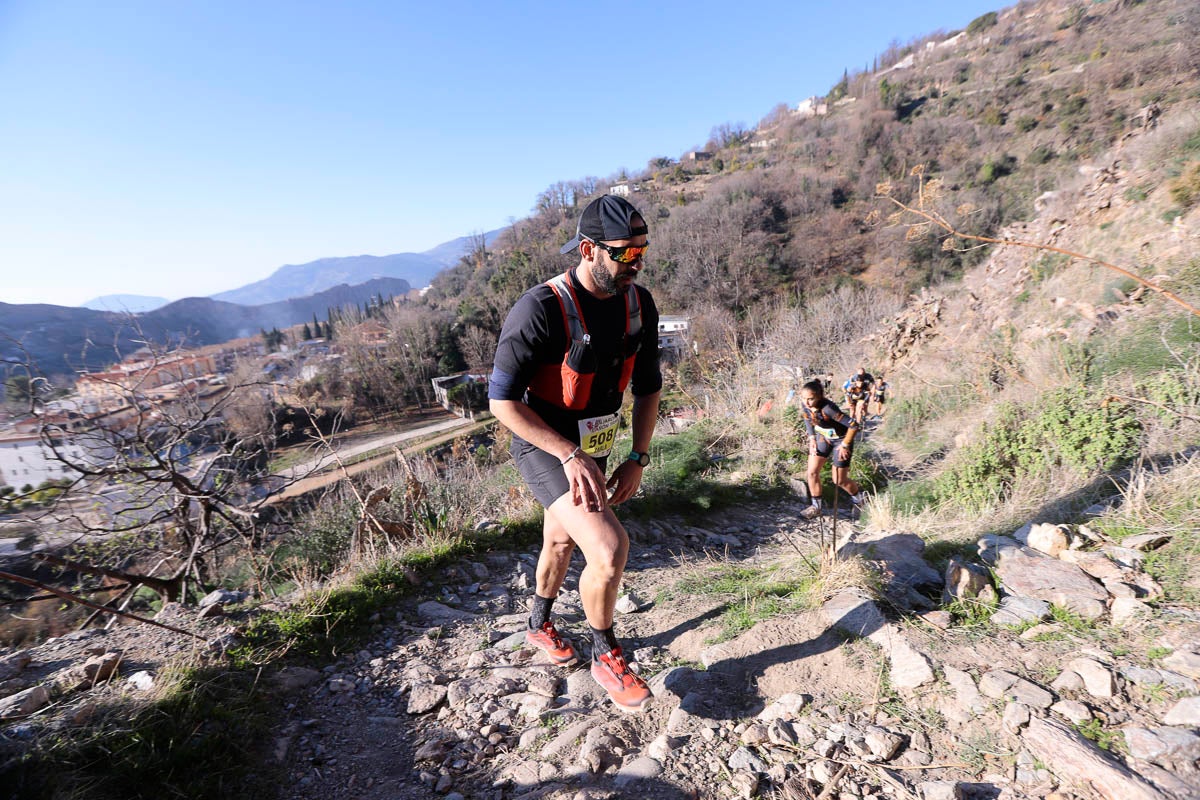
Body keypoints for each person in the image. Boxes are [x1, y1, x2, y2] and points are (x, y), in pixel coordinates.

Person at [488, 195, 661, 714]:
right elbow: (501, 403)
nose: (636, 263)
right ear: (588, 249)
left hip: (598, 441)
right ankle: (605, 653)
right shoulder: (540, 308)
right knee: (607, 547)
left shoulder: (638, 304)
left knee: (562, 538)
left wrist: (638, 455)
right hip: (545, 441)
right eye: (624, 254)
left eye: (641, 251)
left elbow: (648, 387)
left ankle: (538, 625)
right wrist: (567, 454)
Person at [798, 379, 866, 520]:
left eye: (811, 399)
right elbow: (807, 418)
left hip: (841, 440)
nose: (807, 402)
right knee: (811, 473)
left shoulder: (828, 408)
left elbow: (854, 425)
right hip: (823, 438)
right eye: (804, 398)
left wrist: (846, 444)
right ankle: (816, 507)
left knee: (839, 480)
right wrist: (811, 438)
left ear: (819, 396)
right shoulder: (805, 405)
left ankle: (859, 501)